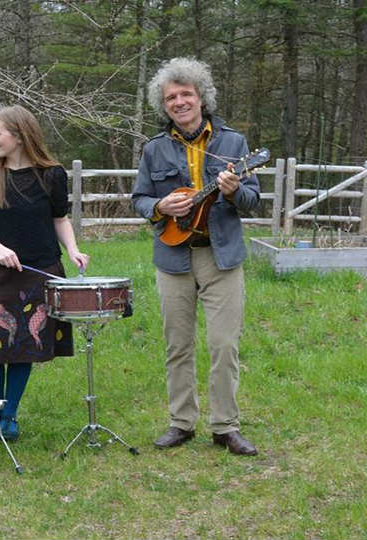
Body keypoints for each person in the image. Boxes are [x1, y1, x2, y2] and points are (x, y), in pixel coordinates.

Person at [132, 57, 260, 455]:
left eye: (186, 94)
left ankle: (225, 426)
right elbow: (139, 198)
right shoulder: (155, 148)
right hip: (173, 257)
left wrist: (232, 191)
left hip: (221, 257)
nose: (179, 102)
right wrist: (159, 208)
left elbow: (252, 200)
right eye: (171, 97)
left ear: (201, 97)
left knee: (223, 345)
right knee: (178, 344)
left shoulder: (234, 144)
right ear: (164, 104)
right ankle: (181, 422)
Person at [0, 104, 89, 441]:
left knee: (23, 345)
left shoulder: (52, 175)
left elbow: (59, 219)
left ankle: (9, 415)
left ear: (18, 136)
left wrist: (73, 249)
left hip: (39, 270)